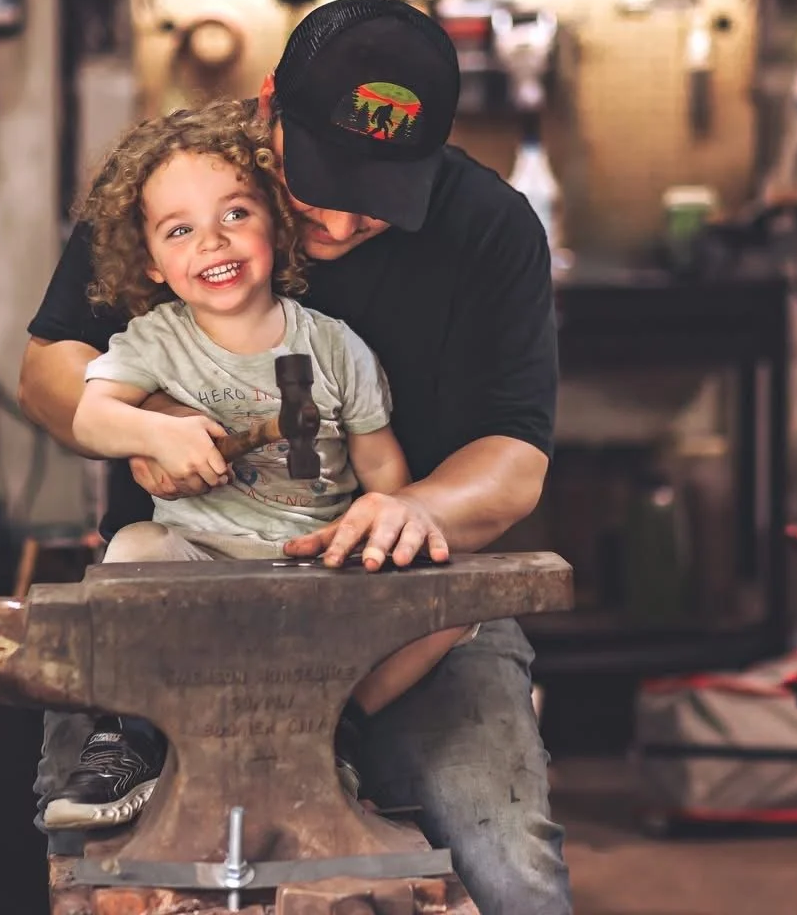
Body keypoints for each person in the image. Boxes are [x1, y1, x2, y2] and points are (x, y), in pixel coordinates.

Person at [19, 0, 571, 915]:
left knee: (505, 850)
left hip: (406, 610)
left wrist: (416, 509)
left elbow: (517, 455)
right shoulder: (186, 187)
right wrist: (148, 416)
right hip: (181, 596)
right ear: (270, 109)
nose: (347, 223)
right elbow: (48, 367)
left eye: (380, 199)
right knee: (105, 872)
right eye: (325, 185)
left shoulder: (490, 228)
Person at [40, 98, 476, 830]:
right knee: (134, 548)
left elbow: (382, 467)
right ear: (151, 260)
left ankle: (332, 733)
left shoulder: (337, 348)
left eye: (236, 214)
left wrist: (391, 530)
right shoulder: (153, 342)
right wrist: (151, 432)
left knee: (452, 609)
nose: (213, 242)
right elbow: (89, 413)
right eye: (180, 230)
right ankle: (129, 737)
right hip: (200, 561)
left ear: (277, 219)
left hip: (314, 565)